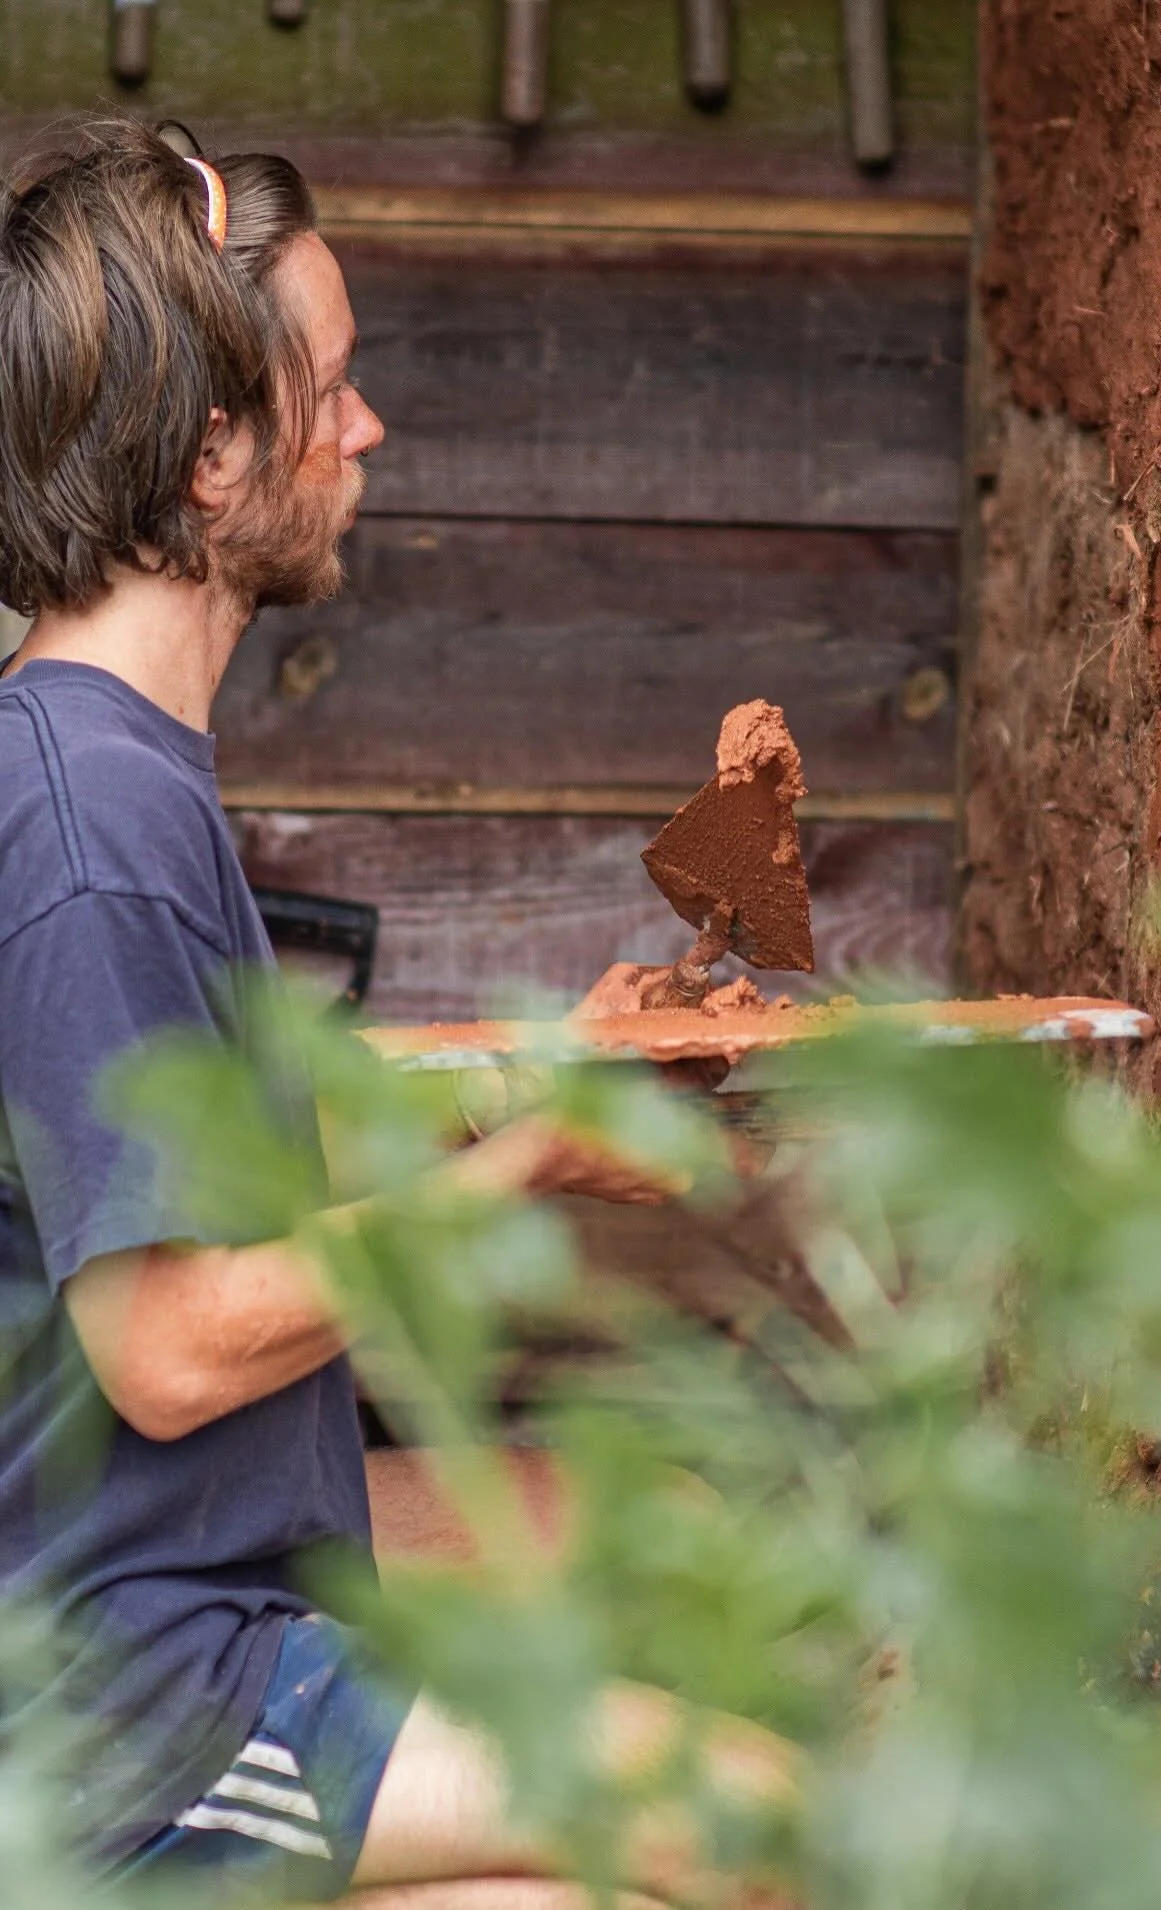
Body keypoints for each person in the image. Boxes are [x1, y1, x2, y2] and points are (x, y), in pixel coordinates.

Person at [0, 120, 791, 1905]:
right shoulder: (87, 826)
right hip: (131, 1698)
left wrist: (557, 1075)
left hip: (195, 1576)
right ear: (211, 455)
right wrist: (526, 1168)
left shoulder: (105, 764)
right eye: (334, 390)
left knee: (649, 1561)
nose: (368, 431)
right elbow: (170, 1345)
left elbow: (174, 1165)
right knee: (751, 1822)